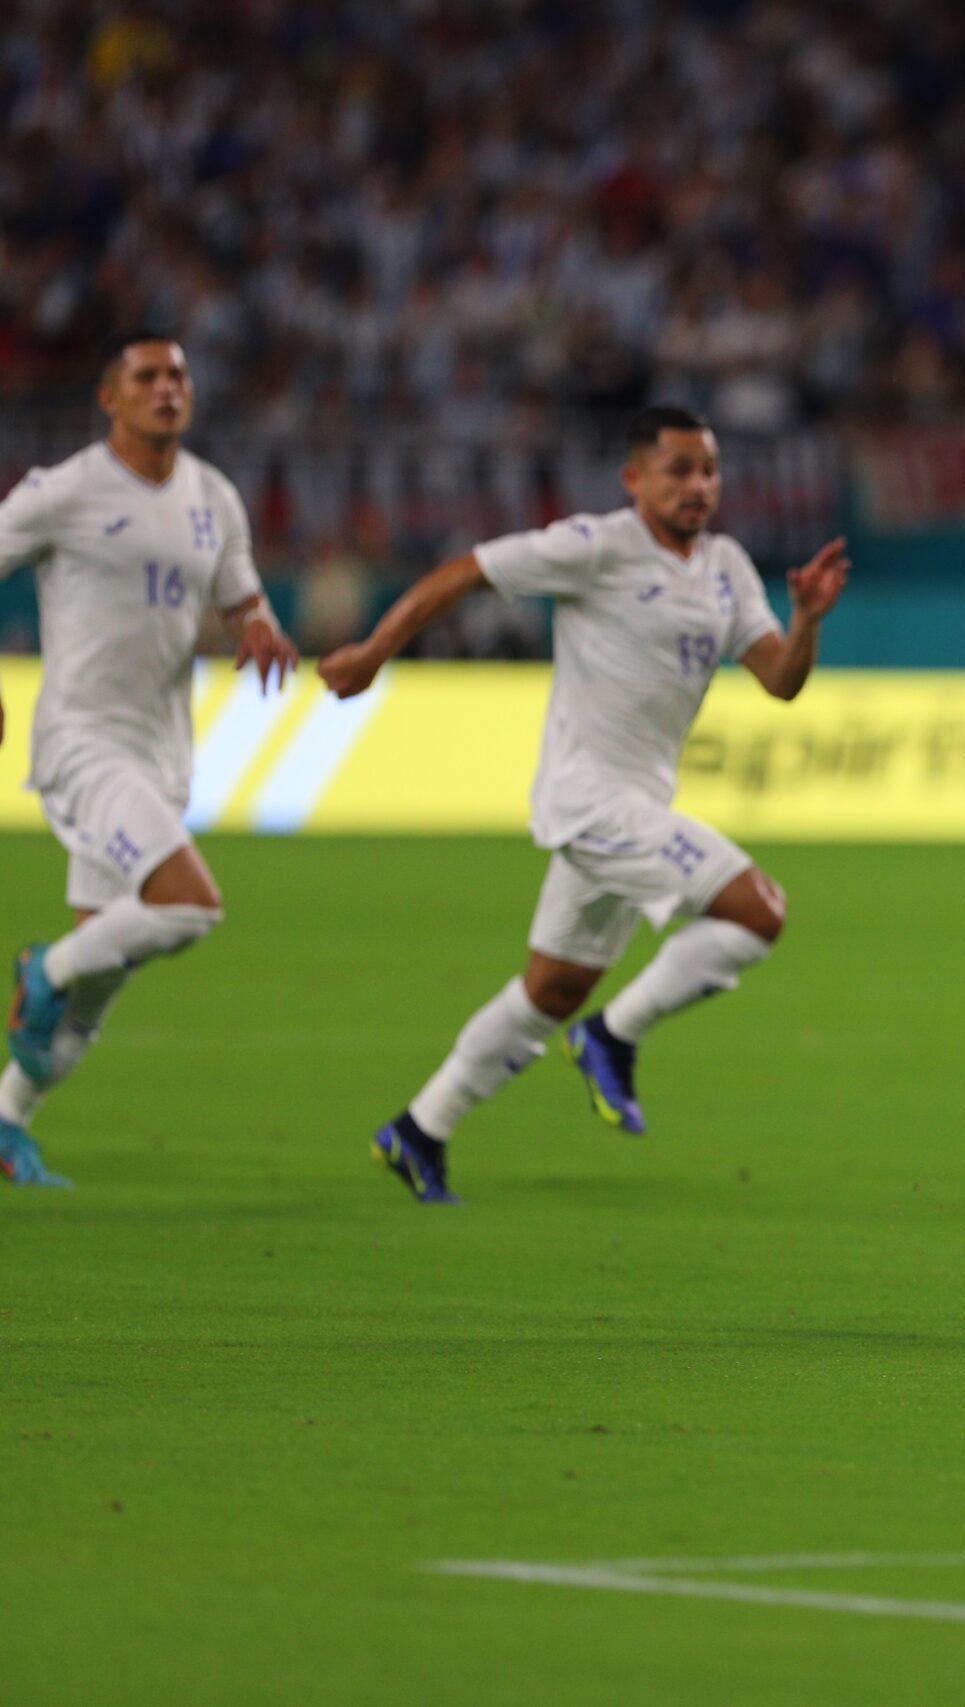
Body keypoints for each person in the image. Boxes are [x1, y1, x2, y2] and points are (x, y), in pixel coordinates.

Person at [316, 406, 848, 1203]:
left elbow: (780, 678)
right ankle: (613, 1035)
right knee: (757, 910)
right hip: (592, 800)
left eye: (709, 469)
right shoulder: (595, 547)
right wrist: (371, 653)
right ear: (635, 478)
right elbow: (466, 570)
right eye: (679, 469)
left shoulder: (728, 566)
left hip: (637, 803)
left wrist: (805, 618)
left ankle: (419, 1130)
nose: (698, 485)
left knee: (551, 989)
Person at [0, 331, 299, 1189]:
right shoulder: (65, 491)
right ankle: (39, 967)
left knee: (96, 990)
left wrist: (261, 628)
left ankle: (7, 1118)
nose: (168, 387)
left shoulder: (213, 494)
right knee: (189, 907)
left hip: (163, 753)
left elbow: (240, 597)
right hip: (83, 742)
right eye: (147, 376)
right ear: (110, 397)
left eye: (178, 374)